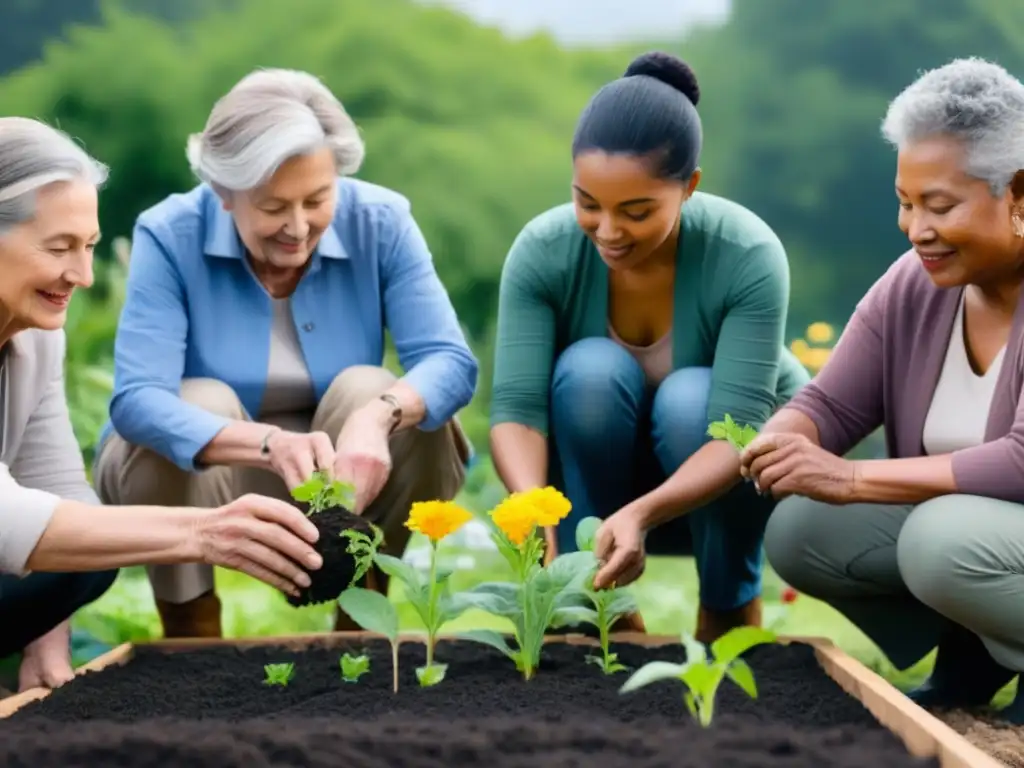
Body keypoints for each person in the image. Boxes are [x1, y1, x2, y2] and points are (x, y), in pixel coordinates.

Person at [93, 68, 477, 639]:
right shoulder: (168, 232)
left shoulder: (383, 220)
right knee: (199, 398)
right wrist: (269, 444)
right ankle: (191, 629)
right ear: (224, 194)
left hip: (343, 470)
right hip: (216, 475)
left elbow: (450, 360)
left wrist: (379, 418)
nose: (298, 228)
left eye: (318, 199)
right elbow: (137, 401)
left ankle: (360, 619)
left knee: (376, 389)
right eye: (274, 207)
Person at [489, 52, 809, 643]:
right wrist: (534, 513)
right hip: (592, 476)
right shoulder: (543, 250)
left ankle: (728, 606)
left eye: (636, 212)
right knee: (589, 370)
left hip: (727, 478)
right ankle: (600, 601)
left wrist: (640, 513)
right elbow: (517, 411)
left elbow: (738, 429)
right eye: (588, 204)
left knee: (691, 399)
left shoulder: (746, 254)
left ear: (689, 188)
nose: (608, 232)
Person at [0, 117, 324, 694]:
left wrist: (48, 643)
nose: (80, 274)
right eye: (59, 248)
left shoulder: (36, 335)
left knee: (94, 549)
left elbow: (55, 490)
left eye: (90, 247)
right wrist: (207, 533)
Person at [745, 57, 1024, 723]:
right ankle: (975, 656)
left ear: (1017, 195)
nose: (915, 229)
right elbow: (830, 405)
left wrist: (850, 479)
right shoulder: (915, 284)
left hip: (972, 537)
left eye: (939, 205)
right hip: (986, 542)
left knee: (940, 539)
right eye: (905, 202)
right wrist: (787, 440)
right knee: (802, 529)